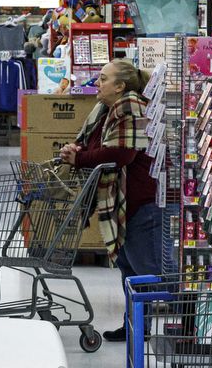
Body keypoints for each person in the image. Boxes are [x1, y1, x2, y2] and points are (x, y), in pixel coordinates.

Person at [58, 58, 162, 342]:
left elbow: (122, 154)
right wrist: (76, 149)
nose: (97, 83)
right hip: (122, 202)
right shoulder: (106, 109)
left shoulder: (131, 107)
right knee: (129, 268)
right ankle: (135, 327)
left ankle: (169, 328)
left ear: (120, 86)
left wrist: (78, 158)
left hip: (139, 201)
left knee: (146, 270)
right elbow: (96, 144)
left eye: (103, 78)